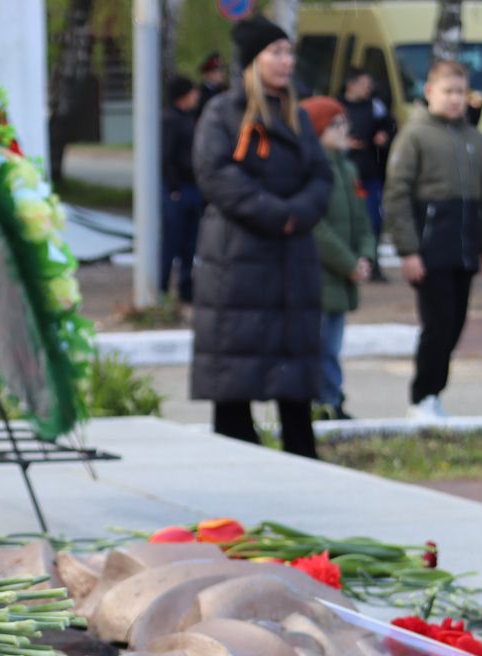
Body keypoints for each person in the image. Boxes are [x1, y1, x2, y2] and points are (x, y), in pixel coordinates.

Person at [190, 17, 333, 459]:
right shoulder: (222, 113)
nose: (287, 61)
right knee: (236, 376)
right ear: (252, 61)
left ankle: (303, 464)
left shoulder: (298, 114)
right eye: (276, 52)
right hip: (238, 262)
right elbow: (215, 174)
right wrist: (276, 214)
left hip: (292, 262)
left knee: (294, 380)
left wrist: (297, 215)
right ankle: (237, 464)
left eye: (289, 53)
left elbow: (321, 176)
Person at [383, 59, 482, 421]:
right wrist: (408, 249)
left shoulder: (474, 139)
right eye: (447, 91)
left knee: (455, 323)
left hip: (464, 248)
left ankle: (434, 393)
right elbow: (397, 194)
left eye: (460, 92)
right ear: (430, 91)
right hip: (430, 248)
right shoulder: (415, 135)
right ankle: (422, 396)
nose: (455, 100)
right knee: (437, 324)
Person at [303, 97, 375, 419]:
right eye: (335, 124)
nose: (343, 129)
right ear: (316, 129)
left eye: (344, 123)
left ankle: (332, 399)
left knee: (331, 345)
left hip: (343, 274)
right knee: (321, 346)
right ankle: (323, 403)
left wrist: (366, 256)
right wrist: (348, 263)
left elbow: (363, 220)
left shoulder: (346, 168)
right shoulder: (310, 170)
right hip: (319, 274)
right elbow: (315, 226)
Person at [341, 68, 395, 281]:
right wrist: (345, 143)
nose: (368, 88)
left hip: (371, 173)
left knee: (373, 219)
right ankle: (348, 263)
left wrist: (384, 136)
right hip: (347, 175)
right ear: (351, 85)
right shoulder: (338, 106)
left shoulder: (375, 106)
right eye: (364, 84)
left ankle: (373, 264)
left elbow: (390, 125)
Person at [160, 76, 203, 302]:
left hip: (191, 188)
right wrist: (173, 187)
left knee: (189, 243)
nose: (196, 96)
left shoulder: (187, 119)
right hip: (178, 190)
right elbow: (166, 156)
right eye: (192, 92)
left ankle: (185, 288)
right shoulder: (170, 120)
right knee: (171, 241)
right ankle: (162, 288)